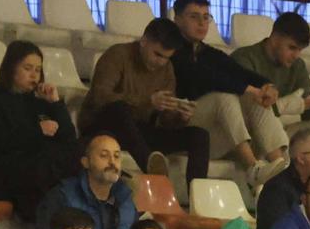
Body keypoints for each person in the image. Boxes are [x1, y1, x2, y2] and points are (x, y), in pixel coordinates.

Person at [168, 0, 285, 189]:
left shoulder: (210, 54)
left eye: (206, 17)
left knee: (253, 99)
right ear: (177, 19)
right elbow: (205, 77)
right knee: (224, 97)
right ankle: (253, 167)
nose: (202, 23)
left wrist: (267, 86)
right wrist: (249, 89)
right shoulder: (171, 50)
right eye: (194, 17)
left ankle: (282, 167)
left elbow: (241, 74)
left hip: (214, 135)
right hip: (182, 132)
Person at [79, 17, 211, 184]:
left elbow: (164, 121)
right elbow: (100, 96)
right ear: (144, 41)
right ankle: (153, 170)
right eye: (157, 54)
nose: (160, 62)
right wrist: (147, 101)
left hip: (139, 132)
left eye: (166, 57)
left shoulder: (166, 69)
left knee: (199, 135)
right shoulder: (117, 55)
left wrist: (179, 116)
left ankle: (198, 193)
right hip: (103, 127)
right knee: (119, 110)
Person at [0, 42, 80, 219]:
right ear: (11, 68)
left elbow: (68, 139)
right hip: (8, 174)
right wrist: (37, 131)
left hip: (41, 172)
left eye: (38, 70)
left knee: (85, 153)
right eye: (28, 68)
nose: (34, 75)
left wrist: (55, 104)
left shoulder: (39, 102)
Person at [31, 134, 136, 229]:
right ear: (85, 162)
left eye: (116, 156)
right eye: (104, 156)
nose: (112, 162)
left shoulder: (126, 202)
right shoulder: (62, 196)